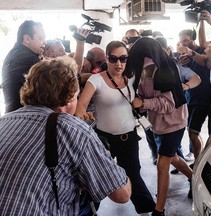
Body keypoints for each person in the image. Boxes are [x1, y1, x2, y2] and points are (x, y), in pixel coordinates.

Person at [0, 56, 132, 215]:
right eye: (77, 95)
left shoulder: (4, 120)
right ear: (70, 98)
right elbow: (122, 194)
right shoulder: (75, 130)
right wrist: (107, 160)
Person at [75, 40, 156, 214]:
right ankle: (87, 211)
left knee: (134, 174)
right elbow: (80, 106)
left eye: (123, 58)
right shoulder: (96, 80)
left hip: (129, 136)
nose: (119, 64)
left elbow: (154, 61)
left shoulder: (132, 76)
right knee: (96, 176)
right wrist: (83, 114)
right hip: (105, 140)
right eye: (113, 59)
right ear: (107, 58)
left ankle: (146, 210)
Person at [126, 37, 193, 216]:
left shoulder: (163, 70)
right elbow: (145, 92)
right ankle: (194, 178)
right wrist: (139, 97)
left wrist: (144, 103)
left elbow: (169, 104)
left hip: (175, 123)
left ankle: (159, 210)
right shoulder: (145, 71)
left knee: (163, 164)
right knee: (172, 158)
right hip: (159, 123)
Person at [155, 36, 201, 174]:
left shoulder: (177, 67)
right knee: (171, 155)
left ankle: (162, 193)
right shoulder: (148, 68)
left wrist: (185, 86)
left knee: (164, 159)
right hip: (156, 121)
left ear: (168, 50)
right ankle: (191, 177)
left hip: (175, 119)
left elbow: (196, 79)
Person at [122, 29, 159, 165]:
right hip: (132, 99)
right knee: (147, 128)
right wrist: (123, 46)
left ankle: (169, 154)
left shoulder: (148, 58)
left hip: (147, 97)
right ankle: (154, 152)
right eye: (129, 38)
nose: (133, 42)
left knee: (158, 128)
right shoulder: (124, 56)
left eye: (135, 39)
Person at [177, 29, 211, 164]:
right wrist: (182, 62)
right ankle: (197, 159)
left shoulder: (202, 51)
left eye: (185, 40)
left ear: (192, 38)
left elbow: (204, 61)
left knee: (193, 132)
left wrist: (191, 54)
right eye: (181, 40)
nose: (183, 43)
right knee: (191, 131)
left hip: (202, 97)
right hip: (189, 96)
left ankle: (198, 164)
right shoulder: (184, 54)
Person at [1, 20, 46, 113]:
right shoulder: (28, 58)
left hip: (13, 116)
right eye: (40, 38)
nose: (44, 42)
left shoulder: (16, 54)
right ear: (27, 39)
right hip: (24, 117)